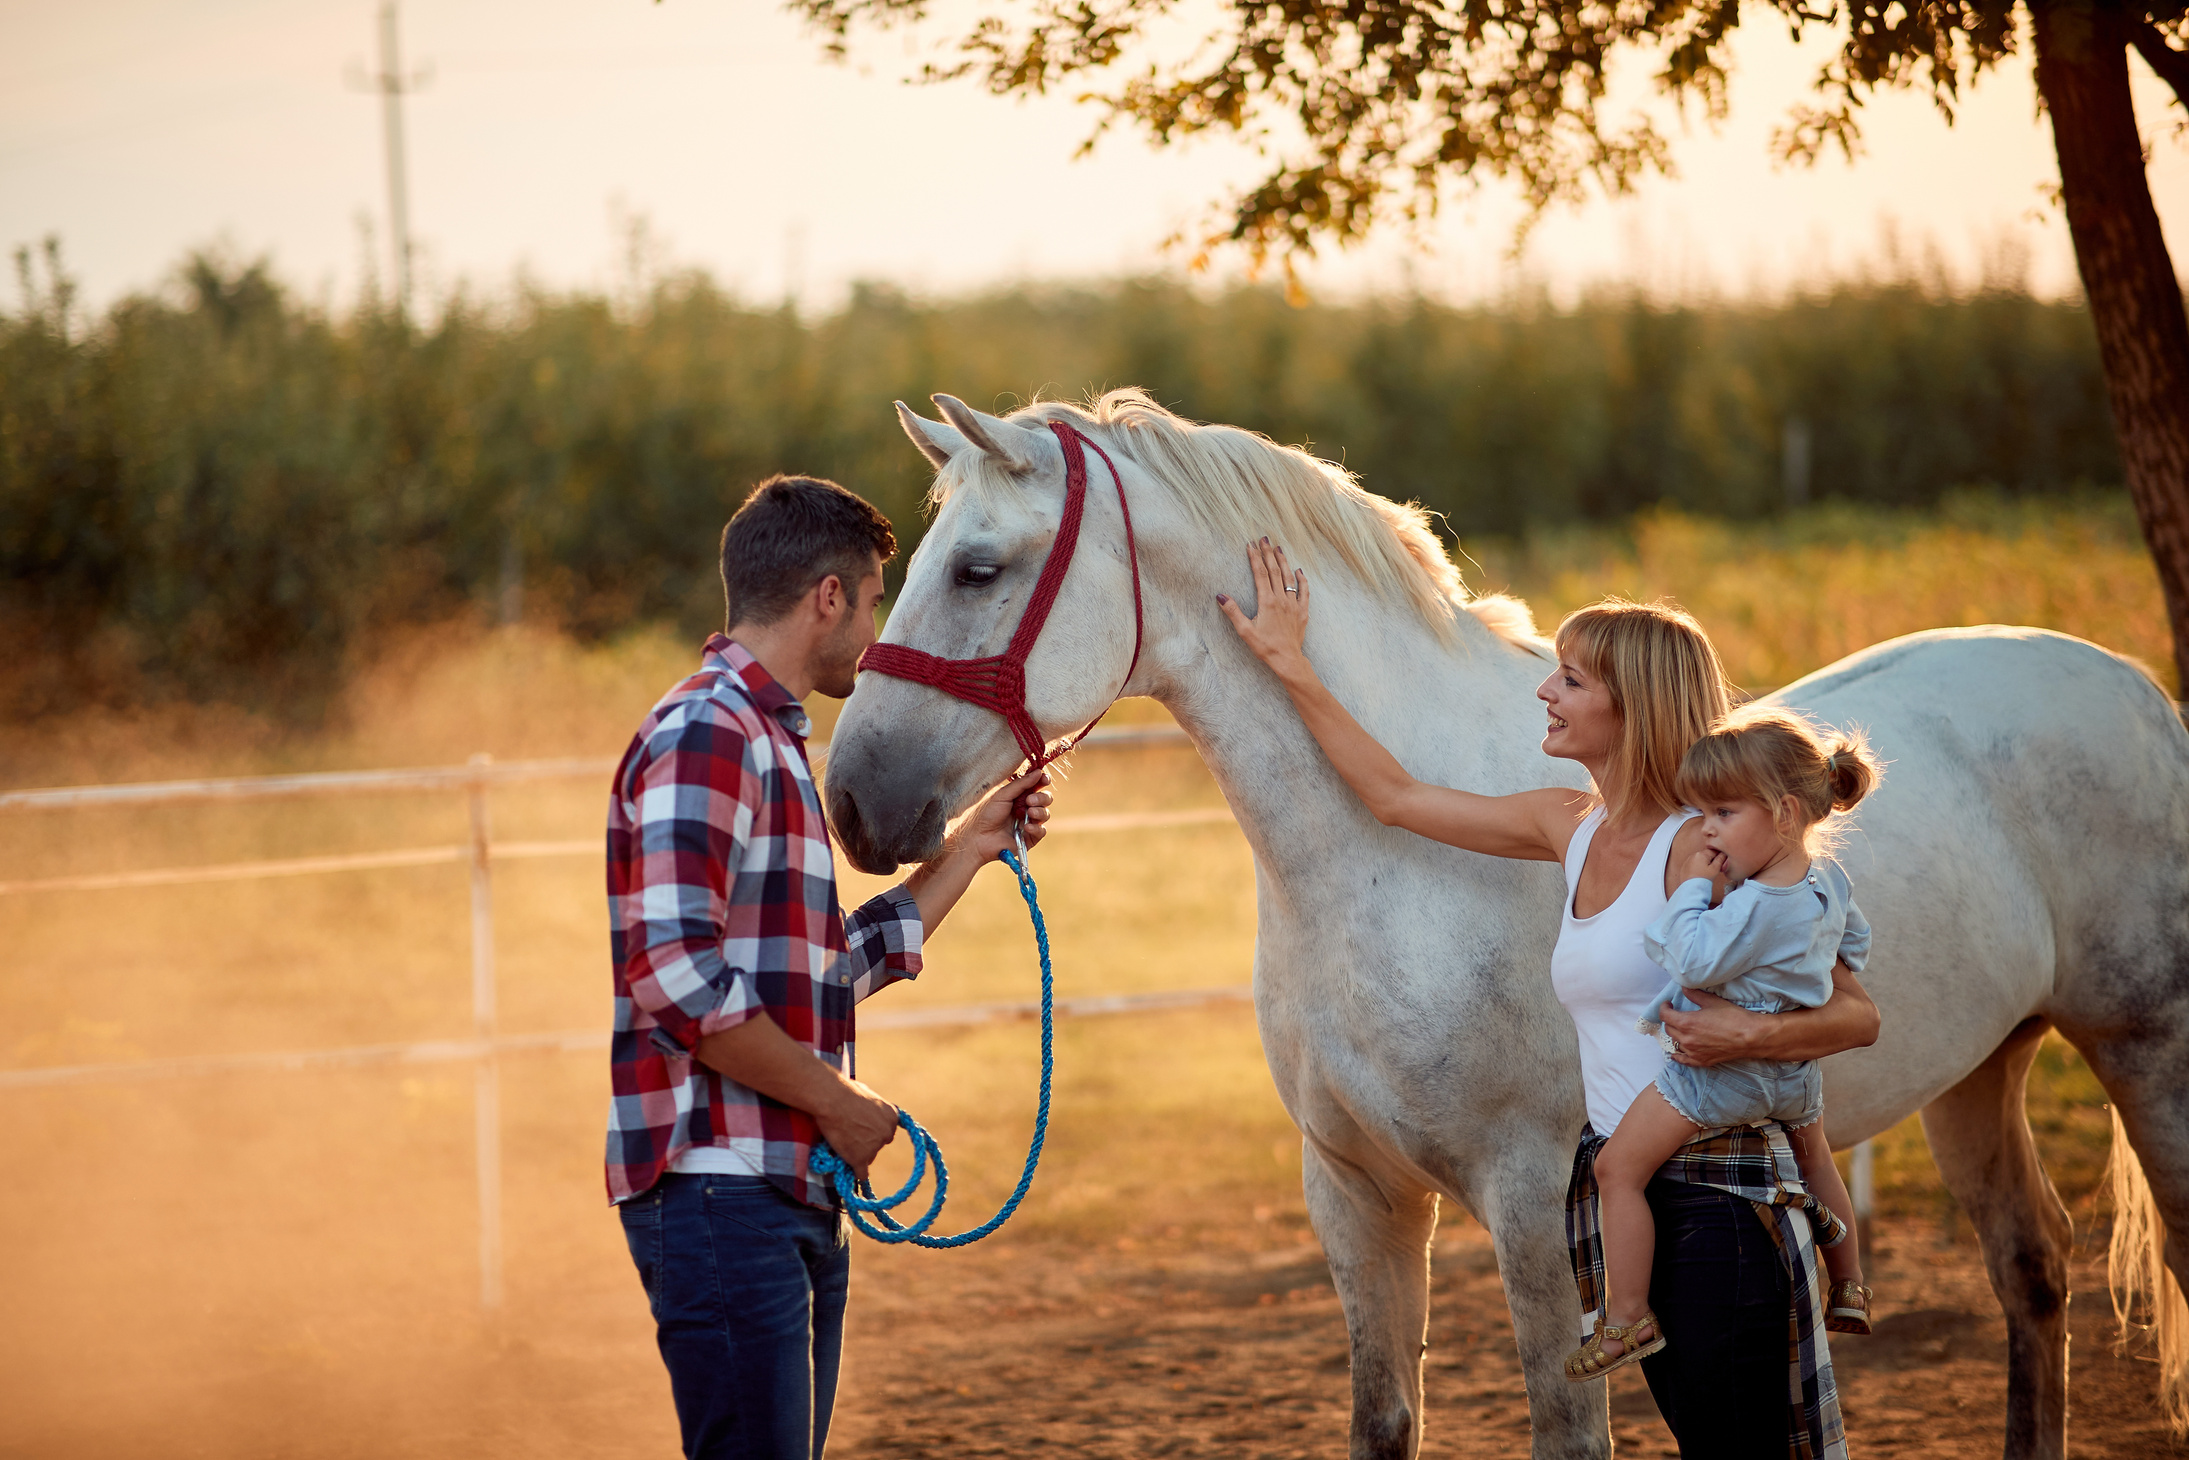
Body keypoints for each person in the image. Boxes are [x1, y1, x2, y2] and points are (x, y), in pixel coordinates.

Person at [1219, 539, 1879, 1459]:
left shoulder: (1707, 848)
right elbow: (1394, 796)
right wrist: (1289, 663)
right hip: (1630, 1195)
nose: (1543, 691)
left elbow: (1853, 1013)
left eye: (1569, 680)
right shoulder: (1565, 824)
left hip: (1720, 1199)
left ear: (1632, 707)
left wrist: (1746, 1033)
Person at [605, 474, 1053, 1460]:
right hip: (721, 1189)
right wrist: (839, 1102)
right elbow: (675, 977)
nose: (879, 633)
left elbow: (817, 971)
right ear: (826, 597)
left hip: (773, 1191)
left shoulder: (762, 739)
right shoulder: (710, 734)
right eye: (876, 600)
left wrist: (969, 850)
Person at [1570, 707, 1882, 1384]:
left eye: (1721, 813)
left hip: (1720, 1074)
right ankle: (1851, 1281)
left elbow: (1691, 961)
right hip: (1792, 1073)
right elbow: (1852, 943)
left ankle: (1625, 1316)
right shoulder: (1824, 879)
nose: (1704, 829)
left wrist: (1690, 893)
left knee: (1616, 1170)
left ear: (1784, 813)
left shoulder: (1750, 904)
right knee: (1815, 1157)